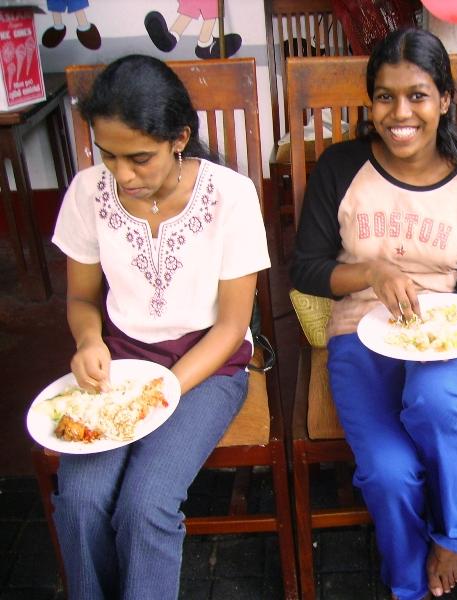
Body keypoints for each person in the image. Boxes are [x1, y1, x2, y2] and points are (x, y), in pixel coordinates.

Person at [290, 28, 457, 600]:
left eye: (418, 95)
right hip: (358, 331)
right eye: (385, 96)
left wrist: (438, 332)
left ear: (445, 99)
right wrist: (371, 272)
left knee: (433, 400)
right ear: (371, 102)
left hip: (449, 331)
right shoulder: (340, 167)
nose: (400, 113)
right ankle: (408, 584)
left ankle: (454, 535)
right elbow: (306, 269)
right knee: (388, 472)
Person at [50, 55, 269, 600]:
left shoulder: (230, 196)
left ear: (180, 139)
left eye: (139, 158)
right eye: (108, 154)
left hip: (210, 368)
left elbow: (231, 327)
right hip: (121, 366)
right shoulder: (88, 193)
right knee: (78, 500)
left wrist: (162, 390)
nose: (122, 174)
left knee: (146, 504)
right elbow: (81, 298)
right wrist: (88, 340)